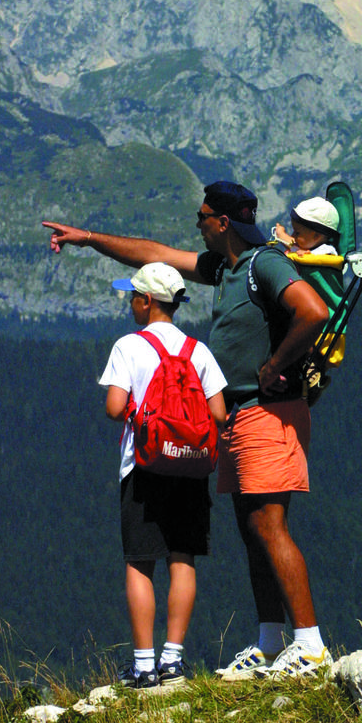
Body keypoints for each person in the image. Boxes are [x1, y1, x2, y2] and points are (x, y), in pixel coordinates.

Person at [43, 180, 331, 680]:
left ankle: (310, 645)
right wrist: (88, 238)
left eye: (202, 217)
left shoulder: (265, 264)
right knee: (251, 529)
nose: (196, 225)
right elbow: (154, 254)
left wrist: (275, 365)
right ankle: (269, 643)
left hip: (269, 408)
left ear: (222, 222)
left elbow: (314, 311)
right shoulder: (226, 268)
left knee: (269, 524)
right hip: (239, 414)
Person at [100, 262, 227, 688]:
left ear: (147, 301)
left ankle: (142, 665)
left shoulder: (128, 347)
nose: (130, 302)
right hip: (190, 467)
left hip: (145, 466)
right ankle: (173, 660)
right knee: (182, 558)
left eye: (133, 295)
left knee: (139, 562)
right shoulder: (198, 350)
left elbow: (115, 408)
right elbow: (219, 414)